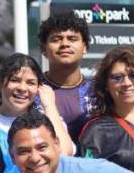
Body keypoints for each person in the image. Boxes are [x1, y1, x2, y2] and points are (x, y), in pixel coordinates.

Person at [38, 10, 97, 143]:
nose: (65, 44)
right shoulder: (31, 91)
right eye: (56, 39)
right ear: (43, 49)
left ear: (85, 47)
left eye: (72, 39)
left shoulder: (99, 92)